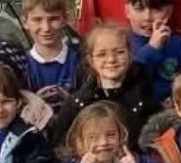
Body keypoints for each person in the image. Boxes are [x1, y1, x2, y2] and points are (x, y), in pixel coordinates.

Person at [46, 22, 162, 155]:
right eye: (102, 54)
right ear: (91, 60)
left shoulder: (146, 99)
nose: (111, 59)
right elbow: (60, 149)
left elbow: (157, 147)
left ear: (130, 55)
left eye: (119, 52)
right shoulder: (76, 104)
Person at [124, 0, 181, 103]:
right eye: (139, 9)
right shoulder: (122, 43)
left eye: (156, 10)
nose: (147, 17)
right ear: (127, 11)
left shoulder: (180, 44)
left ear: (169, 11)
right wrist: (153, 47)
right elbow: (129, 79)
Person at [21, 0, 80, 106]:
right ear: (25, 22)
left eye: (53, 19)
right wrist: (32, 102)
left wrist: (72, 102)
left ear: (65, 20)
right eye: (37, 20)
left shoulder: (81, 60)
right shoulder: (20, 66)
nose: (46, 28)